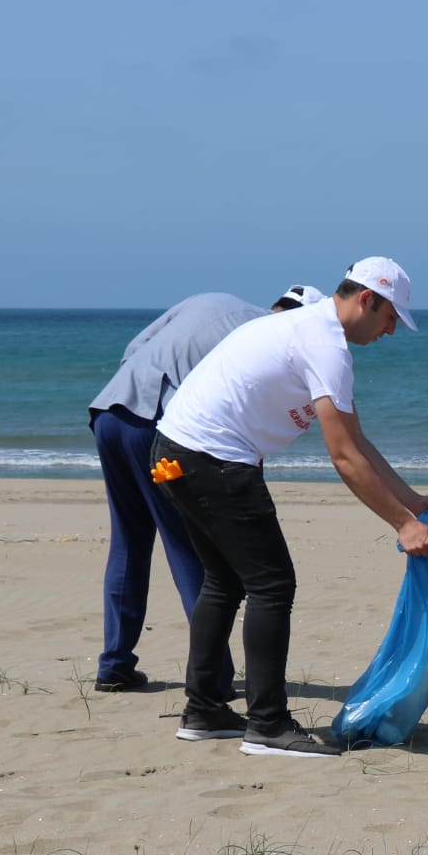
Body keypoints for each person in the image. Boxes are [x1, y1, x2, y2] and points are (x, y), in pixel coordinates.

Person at [152, 259, 428, 758]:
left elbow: (357, 440)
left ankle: (204, 711)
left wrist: (409, 501)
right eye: (392, 317)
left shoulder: (314, 331)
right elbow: (344, 458)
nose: (392, 330)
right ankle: (267, 725)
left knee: (225, 581)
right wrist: (402, 524)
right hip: (212, 458)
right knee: (272, 584)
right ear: (367, 299)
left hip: (176, 450)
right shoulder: (324, 342)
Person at [87, 285, 323, 691]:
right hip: (158, 426)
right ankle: (214, 677)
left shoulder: (211, 300)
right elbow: (234, 412)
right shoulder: (268, 340)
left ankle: (114, 664)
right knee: (192, 548)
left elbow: (135, 347)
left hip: (111, 410)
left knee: (129, 542)